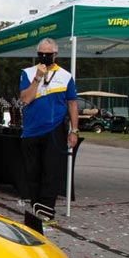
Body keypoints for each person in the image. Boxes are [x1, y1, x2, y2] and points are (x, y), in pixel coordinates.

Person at [18, 38, 79, 221]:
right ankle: (37, 207)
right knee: (32, 171)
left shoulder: (66, 76)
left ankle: (47, 209)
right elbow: (25, 99)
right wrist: (37, 77)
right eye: (41, 54)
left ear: (56, 55)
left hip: (54, 129)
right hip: (31, 130)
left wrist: (74, 130)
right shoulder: (27, 73)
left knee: (51, 171)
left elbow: (73, 103)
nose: (44, 57)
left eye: (48, 54)